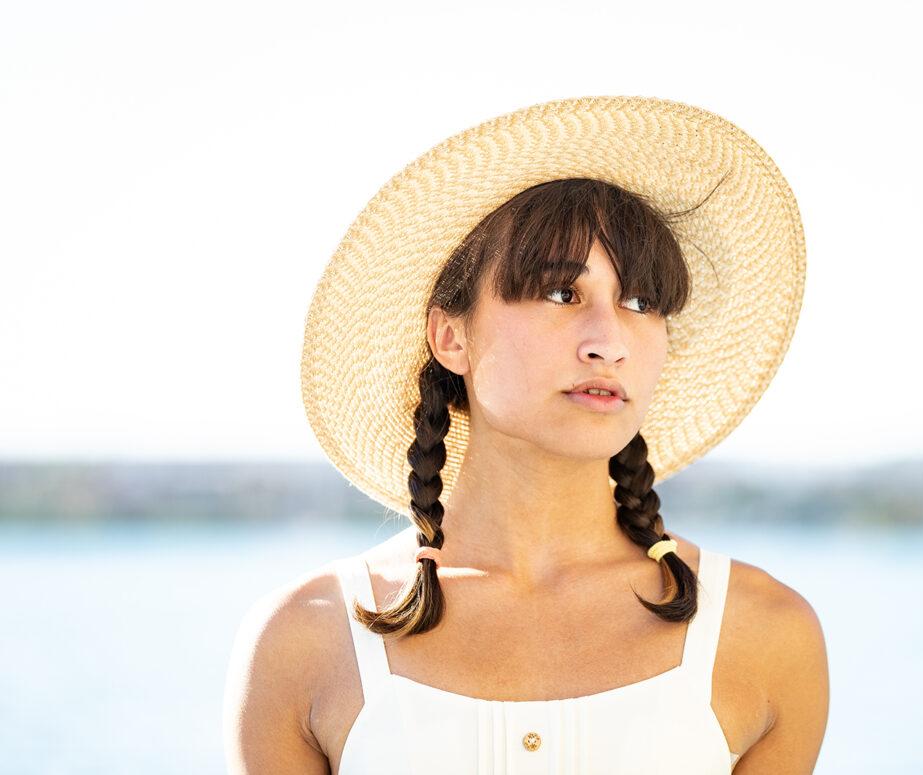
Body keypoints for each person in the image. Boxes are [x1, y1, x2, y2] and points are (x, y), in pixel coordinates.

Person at [223, 95, 829, 774]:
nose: (608, 341)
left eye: (641, 302)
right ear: (451, 336)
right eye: (562, 294)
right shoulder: (308, 638)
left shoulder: (766, 634)